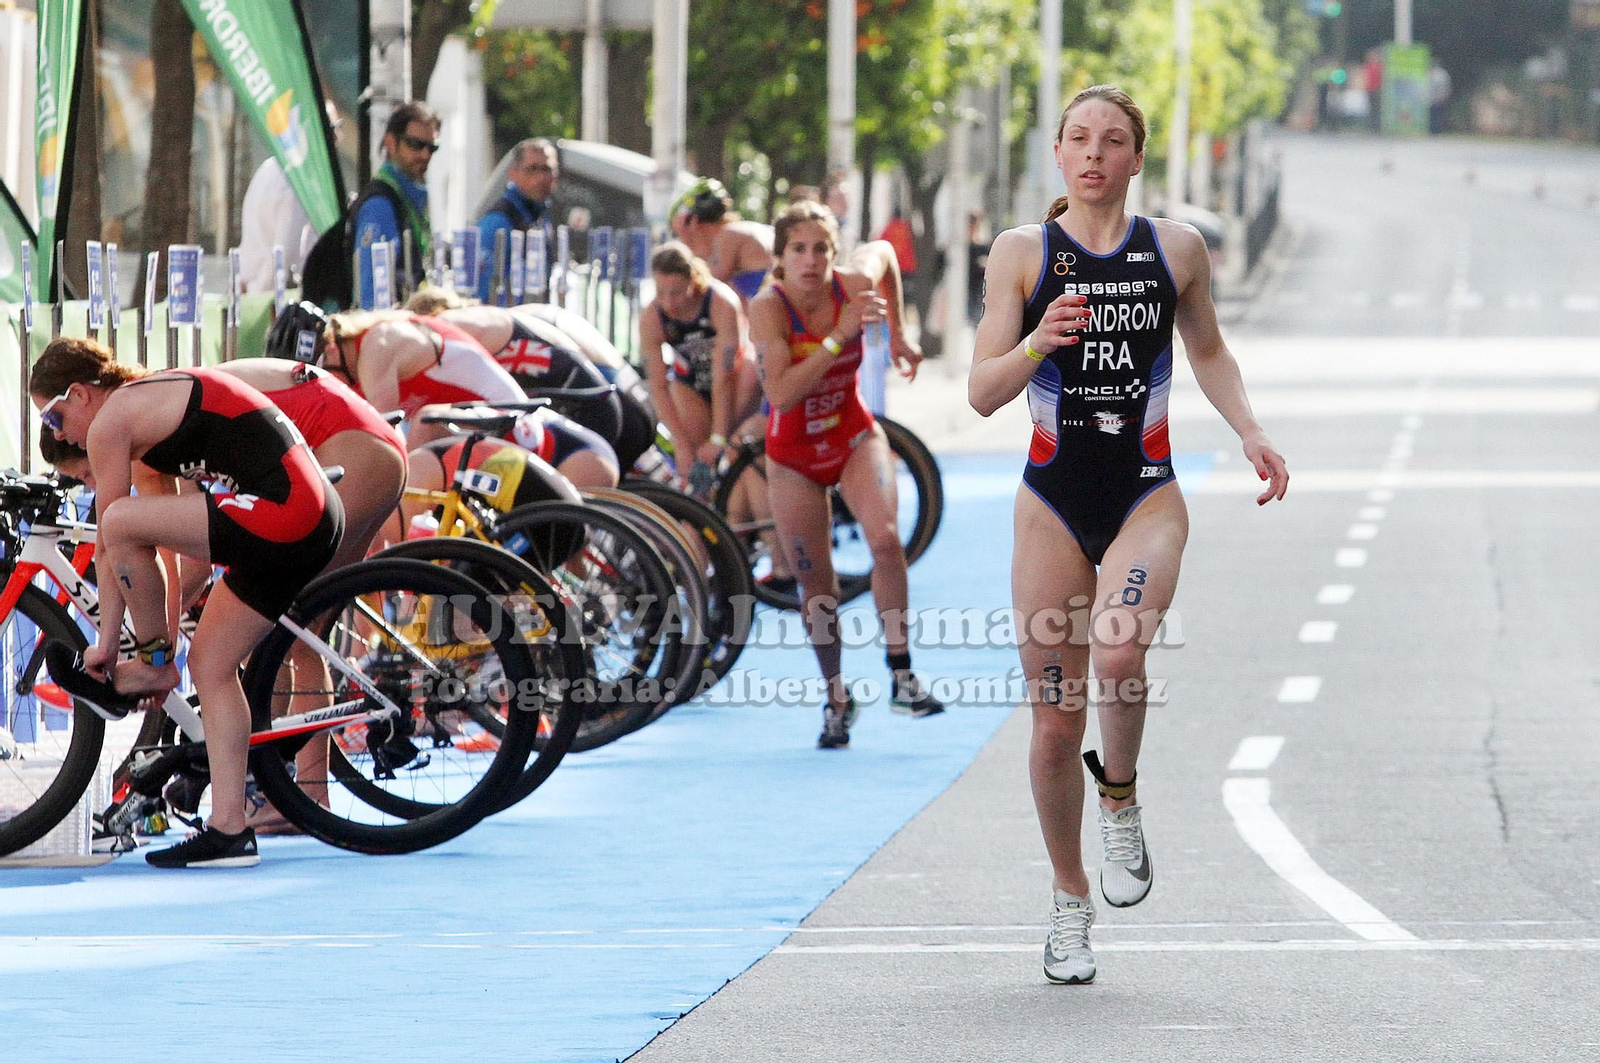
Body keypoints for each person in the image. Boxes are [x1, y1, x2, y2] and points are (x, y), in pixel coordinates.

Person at [967, 85, 1289, 985]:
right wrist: (1037, 340)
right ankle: (1070, 904)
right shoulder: (1022, 255)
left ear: (1136, 157)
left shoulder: (1174, 250)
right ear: (1059, 153)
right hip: (1052, 501)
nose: (1094, 153)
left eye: (1113, 141)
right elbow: (981, 390)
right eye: (1078, 138)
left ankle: (1122, 799)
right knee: (1052, 719)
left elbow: (1209, 351)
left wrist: (1250, 430)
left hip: (1146, 491)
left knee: (1116, 655)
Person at [32, 338, 344, 868]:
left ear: (81, 393)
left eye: (54, 417)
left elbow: (111, 538)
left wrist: (116, 647)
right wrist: (165, 642)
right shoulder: (147, 418)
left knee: (117, 522)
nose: (57, 435)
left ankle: (151, 669)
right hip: (307, 513)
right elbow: (164, 559)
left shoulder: (113, 424)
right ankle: (229, 830)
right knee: (211, 664)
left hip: (286, 510)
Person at [749, 201, 945, 750]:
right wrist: (838, 336)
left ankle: (902, 674)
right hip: (793, 457)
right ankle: (836, 697)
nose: (812, 261)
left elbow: (883, 255)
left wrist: (900, 336)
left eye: (822, 250)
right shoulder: (768, 307)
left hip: (853, 436)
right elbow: (781, 394)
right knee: (819, 586)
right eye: (799, 250)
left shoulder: (852, 283)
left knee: (885, 540)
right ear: (781, 258)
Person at [265, 301, 525, 450]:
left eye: (316, 373)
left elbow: (382, 438)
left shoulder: (377, 347)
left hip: (514, 423)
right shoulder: (354, 366)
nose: (319, 384)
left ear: (332, 348)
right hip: (485, 426)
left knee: (415, 434)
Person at [640, 242, 763, 490]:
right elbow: (658, 386)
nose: (668, 302)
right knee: (693, 450)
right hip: (693, 384)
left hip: (734, 380)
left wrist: (719, 437)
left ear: (693, 280)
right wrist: (681, 445)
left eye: (675, 292)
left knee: (750, 371)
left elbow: (723, 377)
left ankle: (730, 456)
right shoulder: (652, 318)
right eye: (660, 292)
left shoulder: (720, 302)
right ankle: (698, 503)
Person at [354, 102, 440, 309]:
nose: (425, 155)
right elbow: (371, 292)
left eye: (432, 147)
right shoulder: (380, 204)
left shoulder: (409, 198)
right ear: (391, 143)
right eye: (416, 144)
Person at [476, 139, 558, 303]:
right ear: (513, 173)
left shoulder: (539, 217)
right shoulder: (498, 221)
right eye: (532, 169)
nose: (541, 177)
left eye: (547, 169)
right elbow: (480, 293)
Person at [671, 178, 774, 306]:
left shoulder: (728, 235)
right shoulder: (741, 230)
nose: (684, 241)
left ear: (695, 223)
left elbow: (707, 288)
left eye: (680, 234)